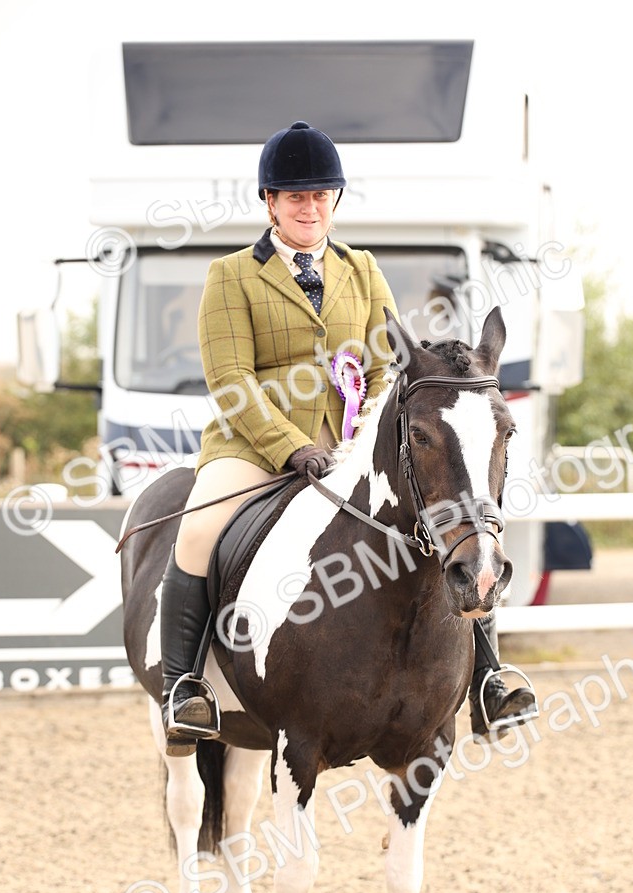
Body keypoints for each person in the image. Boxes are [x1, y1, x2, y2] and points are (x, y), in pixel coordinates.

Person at [159, 119, 537, 755]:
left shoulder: (361, 270)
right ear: (270, 203)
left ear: (334, 200)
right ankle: (184, 686)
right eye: (295, 197)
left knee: (454, 519)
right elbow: (230, 379)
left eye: (319, 196)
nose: (309, 208)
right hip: (253, 449)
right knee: (198, 531)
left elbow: (389, 364)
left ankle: (488, 678)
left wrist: (363, 435)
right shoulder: (231, 276)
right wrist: (289, 447)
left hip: (347, 444)